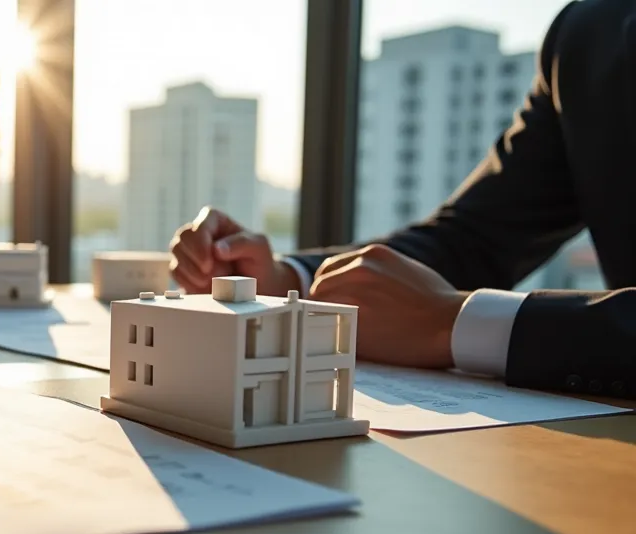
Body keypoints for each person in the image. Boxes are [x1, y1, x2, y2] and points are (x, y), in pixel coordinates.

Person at [168, 0, 635, 400]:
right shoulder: (591, 31)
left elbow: (442, 301)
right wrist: (284, 284)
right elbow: (475, 239)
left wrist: (454, 323)